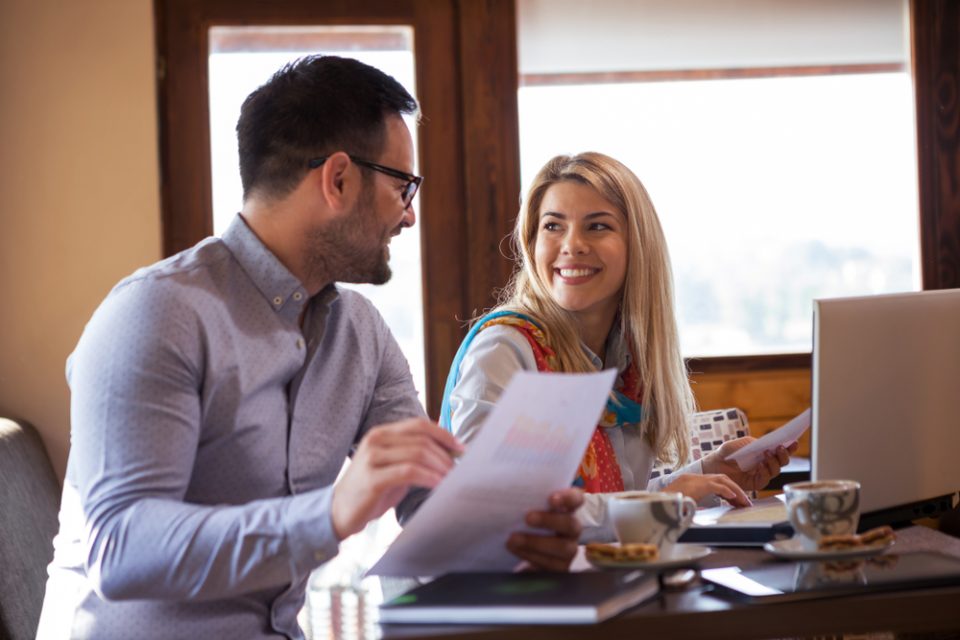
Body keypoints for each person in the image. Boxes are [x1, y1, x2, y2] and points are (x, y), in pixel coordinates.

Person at [36, 56, 582, 640]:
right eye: (404, 186)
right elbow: (119, 549)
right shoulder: (155, 314)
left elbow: (426, 500)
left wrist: (514, 532)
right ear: (339, 179)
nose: (411, 214)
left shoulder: (361, 333)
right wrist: (329, 513)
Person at [440, 152, 795, 541]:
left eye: (597, 226)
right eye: (553, 226)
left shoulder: (629, 363)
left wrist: (710, 475)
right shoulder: (505, 350)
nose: (572, 245)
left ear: (637, 246)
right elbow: (492, 505)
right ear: (532, 242)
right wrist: (661, 503)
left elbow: (612, 505)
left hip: (602, 577)